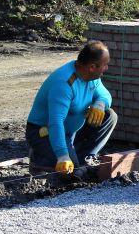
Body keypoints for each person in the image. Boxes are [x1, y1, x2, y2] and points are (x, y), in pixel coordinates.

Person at [26, 40, 117, 182]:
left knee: (109, 115)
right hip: (44, 132)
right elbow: (56, 122)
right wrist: (63, 155)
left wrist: (100, 104)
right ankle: (39, 159)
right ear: (92, 67)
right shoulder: (64, 84)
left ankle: (83, 159)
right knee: (71, 173)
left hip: (70, 132)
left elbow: (105, 95)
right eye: (105, 64)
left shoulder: (92, 78)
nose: (106, 68)